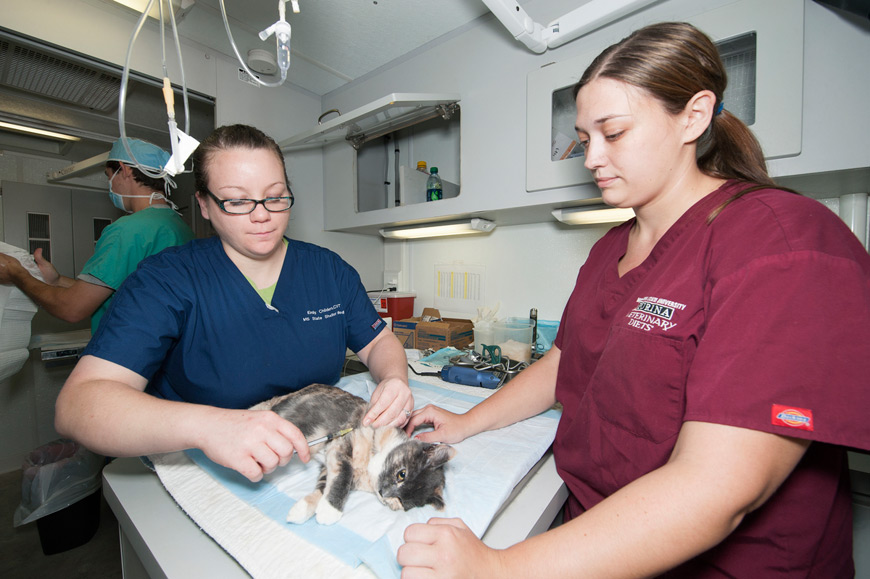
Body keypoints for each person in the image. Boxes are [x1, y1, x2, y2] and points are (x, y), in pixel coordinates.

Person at [399, 22, 870, 578]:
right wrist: (465, 422)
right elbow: (563, 360)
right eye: (584, 136)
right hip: (592, 533)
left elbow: (717, 488)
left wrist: (498, 569)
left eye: (614, 133)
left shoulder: (783, 243)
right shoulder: (609, 251)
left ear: (693, 116)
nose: (591, 157)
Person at [55, 124, 413, 483]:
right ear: (205, 205)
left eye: (275, 196)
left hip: (310, 458)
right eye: (238, 201)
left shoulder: (328, 271)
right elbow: (78, 405)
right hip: (200, 469)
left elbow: (379, 341)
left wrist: (395, 379)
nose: (262, 215)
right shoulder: (167, 279)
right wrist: (210, 427)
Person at [0, 138, 194, 333]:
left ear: (124, 170)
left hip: (127, 355)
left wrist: (17, 275)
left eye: (109, 176)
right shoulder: (180, 227)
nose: (110, 185)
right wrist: (57, 280)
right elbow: (117, 292)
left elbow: (71, 309)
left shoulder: (129, 230)